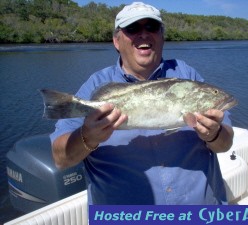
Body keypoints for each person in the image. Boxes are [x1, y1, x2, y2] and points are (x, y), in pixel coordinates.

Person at [50, 2, 234, 205]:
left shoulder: (187, 76)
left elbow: (225, 144)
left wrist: (214, 134)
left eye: (152, 27)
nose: (144, 34)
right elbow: (60, 159)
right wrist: (87, 136)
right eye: (133, 28)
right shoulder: (95, 85)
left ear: (162, 36)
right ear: (116, 41)